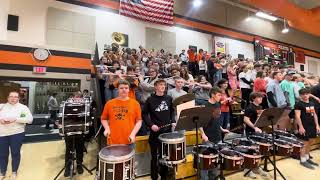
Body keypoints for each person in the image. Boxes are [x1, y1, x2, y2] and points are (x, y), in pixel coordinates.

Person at [143, 79, 176, 180]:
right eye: (160, 85)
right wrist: (151, 125)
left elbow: (172, 111)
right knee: (155, 157)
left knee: (165, 157)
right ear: (156, 87)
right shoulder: (150, 99)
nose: (163, 87)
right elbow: (144, 114)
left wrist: (173, 120)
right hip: (155, 133)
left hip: (167, 132)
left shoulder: (169, 98)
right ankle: (154, 177)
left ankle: (164, 177)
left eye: (164, 85)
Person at [0, 91, 33, 180]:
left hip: (17, 134)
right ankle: (2, 172)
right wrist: (1, 120)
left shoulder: (23, 108)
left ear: (18, 98)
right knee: (2, 154)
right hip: (2, 134)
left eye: (15, 97)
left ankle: (14, 171)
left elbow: (29, 120)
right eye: (11, 96)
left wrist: (15, 119)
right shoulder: (1, 106)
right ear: (8, 98)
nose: (13, 98)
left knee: (15, 153)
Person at [199, 87, 229, 180]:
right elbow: (200, 123)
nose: (221, 97)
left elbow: (217, 119)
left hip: (218, 137)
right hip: (208, 138)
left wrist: (222, 129)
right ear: (212, 95)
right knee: (205, 163)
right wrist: (203, 134)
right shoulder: (205, 106)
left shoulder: (217, 104)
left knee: (215, 161)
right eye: (219, 95)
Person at [101, 79, 142, 147]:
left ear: (129, 90)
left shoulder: (135, 104)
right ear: (117, 89)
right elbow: (103, 119)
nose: (124, 90)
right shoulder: (109, 103)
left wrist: (133, 134)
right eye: (121, 88)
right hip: (113, 140)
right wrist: (107, 128)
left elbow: (139, 121)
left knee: (130, 158)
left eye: (126, 88)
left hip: (129, 140)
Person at [243, 92, 268, 178]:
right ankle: (247, 170)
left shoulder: (260, 107)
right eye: (259, 97)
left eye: (261, 97)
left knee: (257, 151)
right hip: (251, 132)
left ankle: (256, 167)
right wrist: (254, 128)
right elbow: (246, 119)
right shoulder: (250, 107)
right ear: (253, 98)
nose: (261, 99)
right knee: (250, 151)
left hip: (259, 132)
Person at [295, 88, 320, 169]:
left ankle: (307, 157)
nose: (305, 96)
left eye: (306, 94)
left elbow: (314, 115)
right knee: (304, 143)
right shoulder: (298, 104)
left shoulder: (312, 103)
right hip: (304, 126)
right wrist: (301, 127)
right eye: (303, 94)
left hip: (312, 125)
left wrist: (317, 125)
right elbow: (297, 117)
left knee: (310, 141)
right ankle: (302, 160)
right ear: (300, 96)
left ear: (309, 94)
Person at [63, 91, 86, 177]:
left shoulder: (84, 106)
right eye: (76, 97)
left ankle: (79, 165)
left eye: (79, 97)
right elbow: (64, 116)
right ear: (73, 97)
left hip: (80, 130)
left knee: (79, 149)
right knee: (69, 149)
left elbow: (85, 117)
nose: (77, 99)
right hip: (69, 130)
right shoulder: (67, 105)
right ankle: (67, 167)